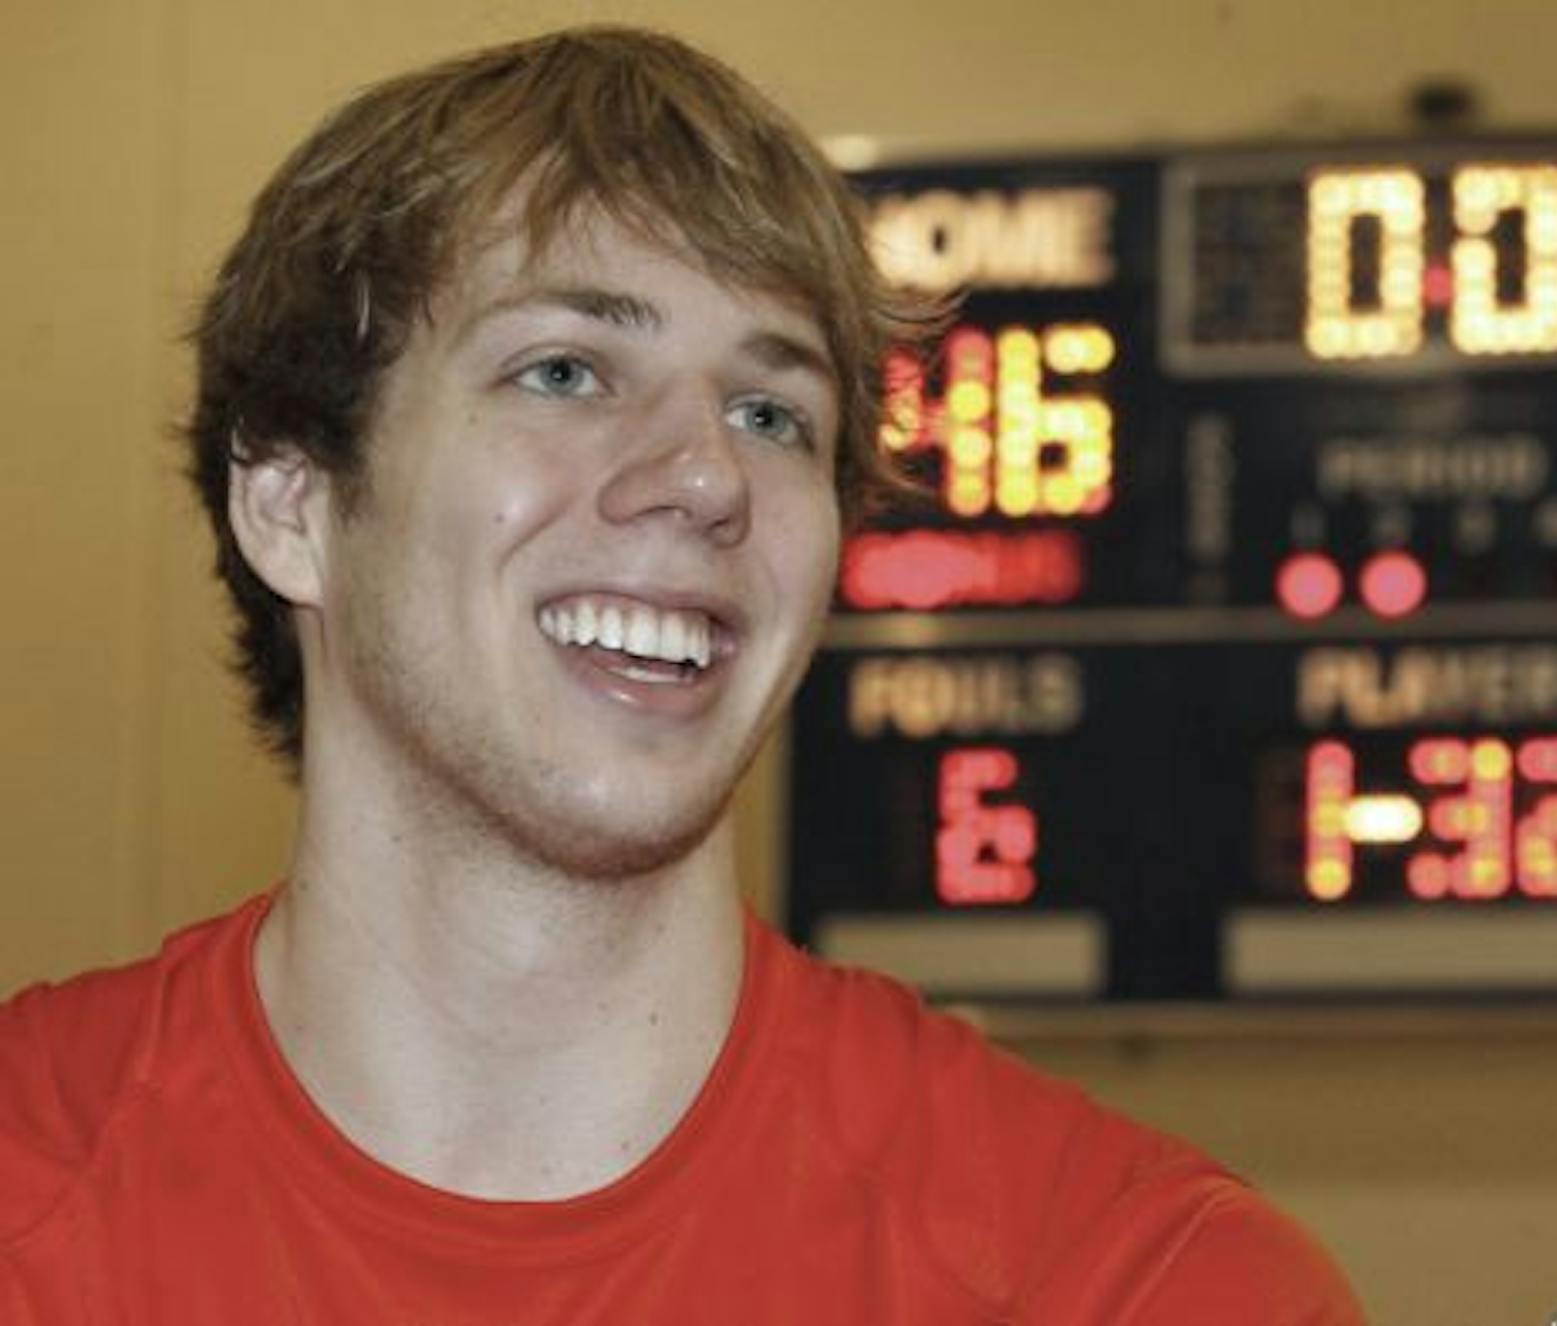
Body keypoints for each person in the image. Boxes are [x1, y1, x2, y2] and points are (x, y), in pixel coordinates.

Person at [0, 25, 1364, 1324]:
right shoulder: (34, 1197)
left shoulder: (1140, 1282)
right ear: (293, 504)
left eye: (773, 412)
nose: (710, 475)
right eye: (567, 370)